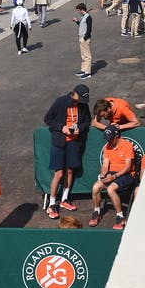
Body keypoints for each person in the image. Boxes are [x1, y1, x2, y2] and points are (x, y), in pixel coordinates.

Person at [43, 84, 91, 218]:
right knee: (58, 174)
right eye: (80, 98)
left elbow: (87, 122)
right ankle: (51, 204)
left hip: (74, 142)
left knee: (70, 170)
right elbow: (47, 119)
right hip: (59, 141)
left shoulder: (83, 105)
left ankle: (64, 199)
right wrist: (62, 127)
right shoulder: (60, 102)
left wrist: (79, 129)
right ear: (74, 94)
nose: (81, 101)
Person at [87, 125, 136, 230]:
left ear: (116, 135)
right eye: (107, 139)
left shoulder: (127, 145)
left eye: (110, 139)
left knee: (110, 189)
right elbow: (105, 165)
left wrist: (113, 177)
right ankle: (97, 212)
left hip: (126, 175)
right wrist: (103, 174)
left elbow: (127, 167)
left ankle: (120, 216)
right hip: (112, 174)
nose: (108, 141)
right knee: (95, 187)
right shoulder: (107, 147)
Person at [73, 3, 93, 79]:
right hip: (81, 38)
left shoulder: (88, 17)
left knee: (87, 56)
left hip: (84, 38)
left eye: (78, 10)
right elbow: (82, 26)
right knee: (83, 55)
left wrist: (84, 39)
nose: (78, 11)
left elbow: (89, 29)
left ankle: (88, 72)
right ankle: (83, 69)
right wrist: (76, 21)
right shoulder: (83, 16)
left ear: (81, 10)